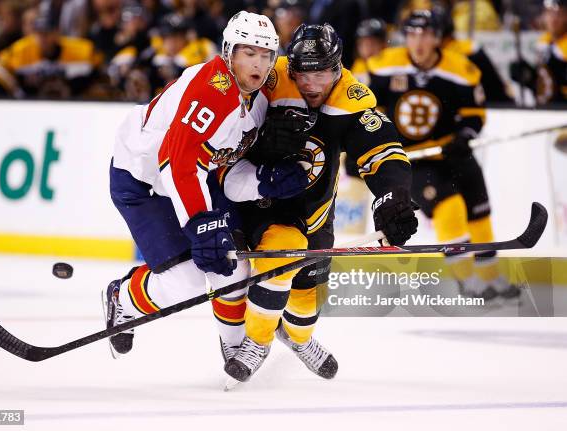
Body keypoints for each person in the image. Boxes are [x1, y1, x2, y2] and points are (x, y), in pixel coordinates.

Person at [214, 23, 418, 383]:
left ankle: (298, 336)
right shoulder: (269, 79)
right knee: (280, 257)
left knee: (306, 299)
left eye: (321, 74)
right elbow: (227, 130)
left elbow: (383, 152)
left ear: (338, 68)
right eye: (303, 74)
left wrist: (393, 196)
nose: (310, 85)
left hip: (316, 210)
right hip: (264, 203)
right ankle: (257, 341)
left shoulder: (352, 97)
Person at [104, 11, 280, 358]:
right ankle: (121, 298)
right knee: (183, 287)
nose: (258, 64)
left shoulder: (259, 98)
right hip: (144, 181)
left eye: (266, 55)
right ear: (229, 52)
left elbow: (219, 163)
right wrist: (201, 224)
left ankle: (235, 351)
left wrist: (264, 181)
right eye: (249, 53)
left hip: (194, 178)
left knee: (232, 264)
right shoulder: (214, 91)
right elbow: (177, 163)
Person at [367, 10, 520, 301]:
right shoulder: (384, 67)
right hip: (412, 159)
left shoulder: (460, 68)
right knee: (448, 210)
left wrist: (464, 136)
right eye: (412, 34)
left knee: (479, 214)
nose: (418, 41)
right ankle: (468, 281)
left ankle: (491, 277)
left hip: (453, 153)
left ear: (437, 37)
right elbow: (372, 112)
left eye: (425, 34)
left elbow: (474, 115)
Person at [510, 0, 567, 105]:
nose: (554, 19)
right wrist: (529, 75)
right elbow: (544, 80)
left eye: (560, 14)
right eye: (550, 13)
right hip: (546, 104)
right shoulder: (543, 41)